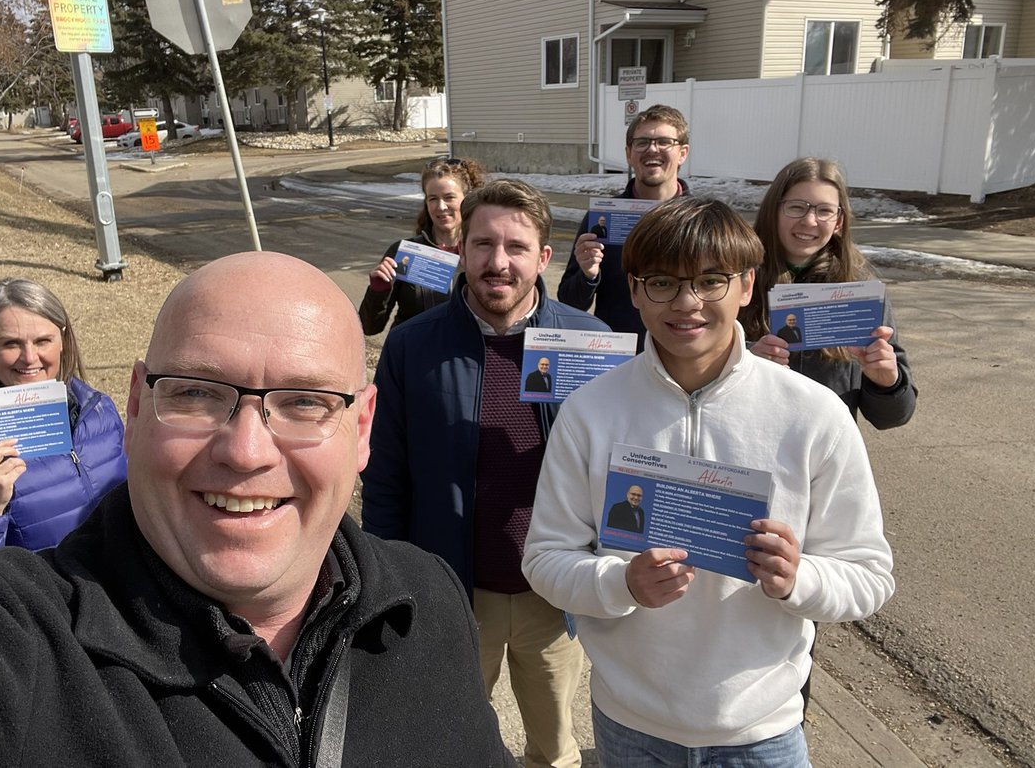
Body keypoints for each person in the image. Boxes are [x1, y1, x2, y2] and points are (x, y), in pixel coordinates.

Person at [0, 253, 514, 767]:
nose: (246, 450)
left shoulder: (430, 602)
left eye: (305, 401)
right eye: (198, 393)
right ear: (138, 409)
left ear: (363, 426)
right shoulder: (8, 652)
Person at [523, 197, 895, 766]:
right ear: (637, 290)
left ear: (747, 285)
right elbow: (546, 559)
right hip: (630, 727)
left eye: (711, 281)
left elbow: (868, 577)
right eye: (663, 283)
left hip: (762, 734)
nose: (687, 304)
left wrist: (801, 577)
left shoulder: (813, 414)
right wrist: (623, 585)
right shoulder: (589, 411)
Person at [364, 180, 608, 768]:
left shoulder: (590, 343)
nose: (498, 262)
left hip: (551, 593)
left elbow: (619, 464)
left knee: (553, 750)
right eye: (483, 245)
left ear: (544, 257)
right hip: (452, 592)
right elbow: (386, 477)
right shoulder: (413, 346)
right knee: (446, 745)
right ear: (462, 250)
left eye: (516, 247)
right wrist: (394, 579)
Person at [0, 278, 126, 579]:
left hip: (127, 599)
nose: (30, 358)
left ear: (63, 340)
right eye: (10, 344)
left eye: (42, 341)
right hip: (50, 615)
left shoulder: (98, 412)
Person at [740, 158, 917, 429]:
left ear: (838, 222)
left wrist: (887, 381)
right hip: (748, 448)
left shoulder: (859, 293)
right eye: (796, 207)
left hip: (826, 458)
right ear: (773, 211)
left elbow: (891, 417)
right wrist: (744, 363)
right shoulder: (733, 280)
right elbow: (692, 372)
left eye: (824, 211)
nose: (809, 221)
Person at [558, 104, 691, 351]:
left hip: (682, 354)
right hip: (619, 355)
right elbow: (569, 301)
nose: (652, 149)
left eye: (664, 141)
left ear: (682, 153)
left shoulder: (701, 219)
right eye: (642, 142)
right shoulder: (602, 219)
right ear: (629, 153)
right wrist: (588, 274)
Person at [359, 156, 486, 335]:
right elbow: (369, 327)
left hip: (461, 357)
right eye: (433, 198)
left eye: (449, 197)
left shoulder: (483, 252)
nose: (441, 207)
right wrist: (378, 290)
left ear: (467, 199)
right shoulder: (404, 252)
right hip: (413, 357)